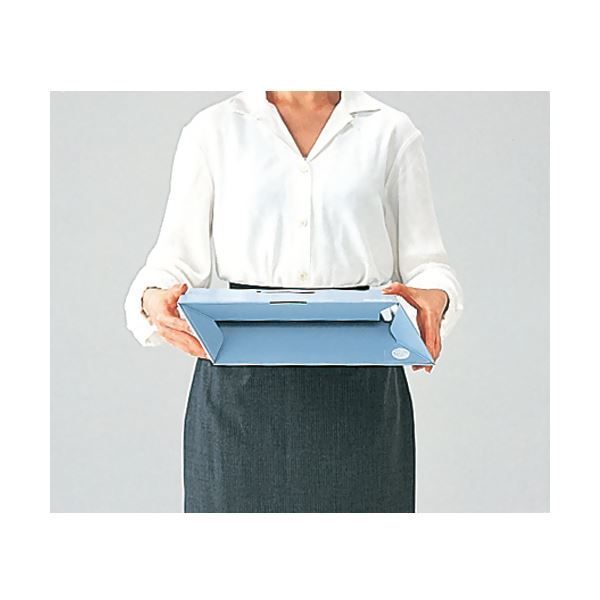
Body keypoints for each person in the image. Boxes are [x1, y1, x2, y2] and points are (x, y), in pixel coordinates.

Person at [124, 91, 464, 512]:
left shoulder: (390, 132)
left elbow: (428, 265)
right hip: (238, 390)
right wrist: (154, 297)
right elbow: (173, 261)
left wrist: (435, 297)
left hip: (361, 387)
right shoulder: (213, 130)